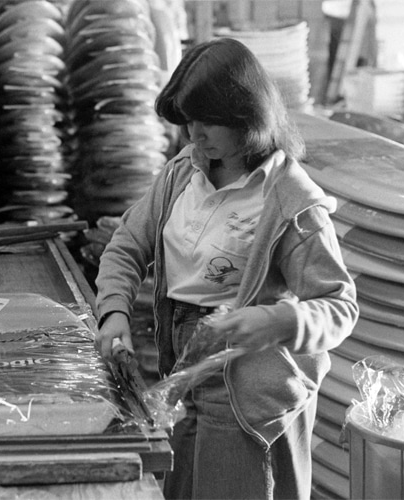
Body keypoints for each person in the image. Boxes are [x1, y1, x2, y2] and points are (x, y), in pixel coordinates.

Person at [94, 37, 358, 499]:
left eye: (207, 122)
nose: (193, 134)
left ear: (246, 117)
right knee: (179, 482)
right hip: (180, 363)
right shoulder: (184, 172)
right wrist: (113, 311)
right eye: (188, 121)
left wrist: (274, 320)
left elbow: (339, 305)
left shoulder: (291, 200)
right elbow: (126, 244)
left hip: (243, 376)